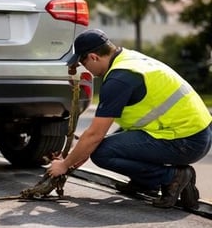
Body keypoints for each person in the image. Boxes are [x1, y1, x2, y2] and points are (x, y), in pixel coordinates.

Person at [45, 28, 211, 209]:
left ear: (93, 57)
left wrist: (64, 165)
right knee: (107, 144)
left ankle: (173, 177)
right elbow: (107, 134)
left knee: (103, 153)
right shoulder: (129, 59)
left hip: (186, 142)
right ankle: (147, 183)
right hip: (196, 134)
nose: (87, 70)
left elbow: (94, 135)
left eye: (84, 64)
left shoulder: (118, 79)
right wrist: (78, 154)